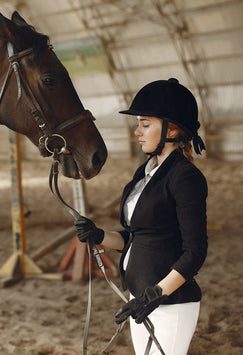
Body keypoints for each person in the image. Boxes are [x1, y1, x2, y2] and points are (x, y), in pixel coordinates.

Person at [74, 78, 208, 355]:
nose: (137, 132)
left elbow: (195, 252)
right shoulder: (145, 172)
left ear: (172, 128)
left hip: (170, 304)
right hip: (140, 299)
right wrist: (99, 236)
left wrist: (155, 294)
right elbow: (137, 238)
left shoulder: (185, 177)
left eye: (145, 124)